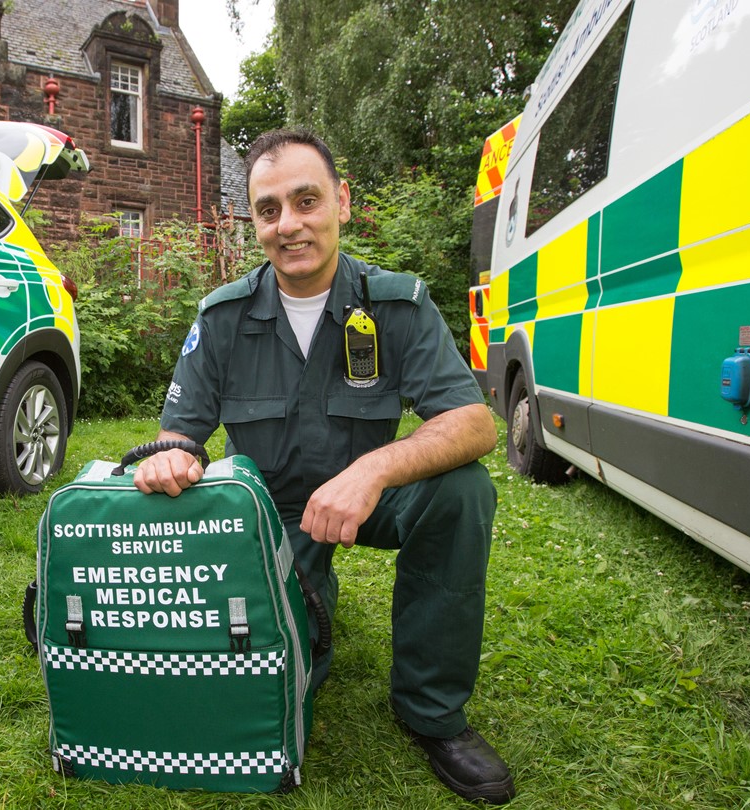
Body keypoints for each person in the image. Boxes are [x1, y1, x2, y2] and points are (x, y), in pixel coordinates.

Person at [132, 129, 513, 804]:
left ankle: (432, 715)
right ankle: (308, 598)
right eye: (269, 209)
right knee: (289, 667)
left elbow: (475, 422)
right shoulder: (220, 319)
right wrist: (172, 461)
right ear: (253, 221)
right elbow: (179, 435)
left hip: (371, 498)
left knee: (461, 492)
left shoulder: (395, 303)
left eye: (306, 201)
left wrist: (372, 472)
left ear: (341, 201)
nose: (289, 224)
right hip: (271, 517)